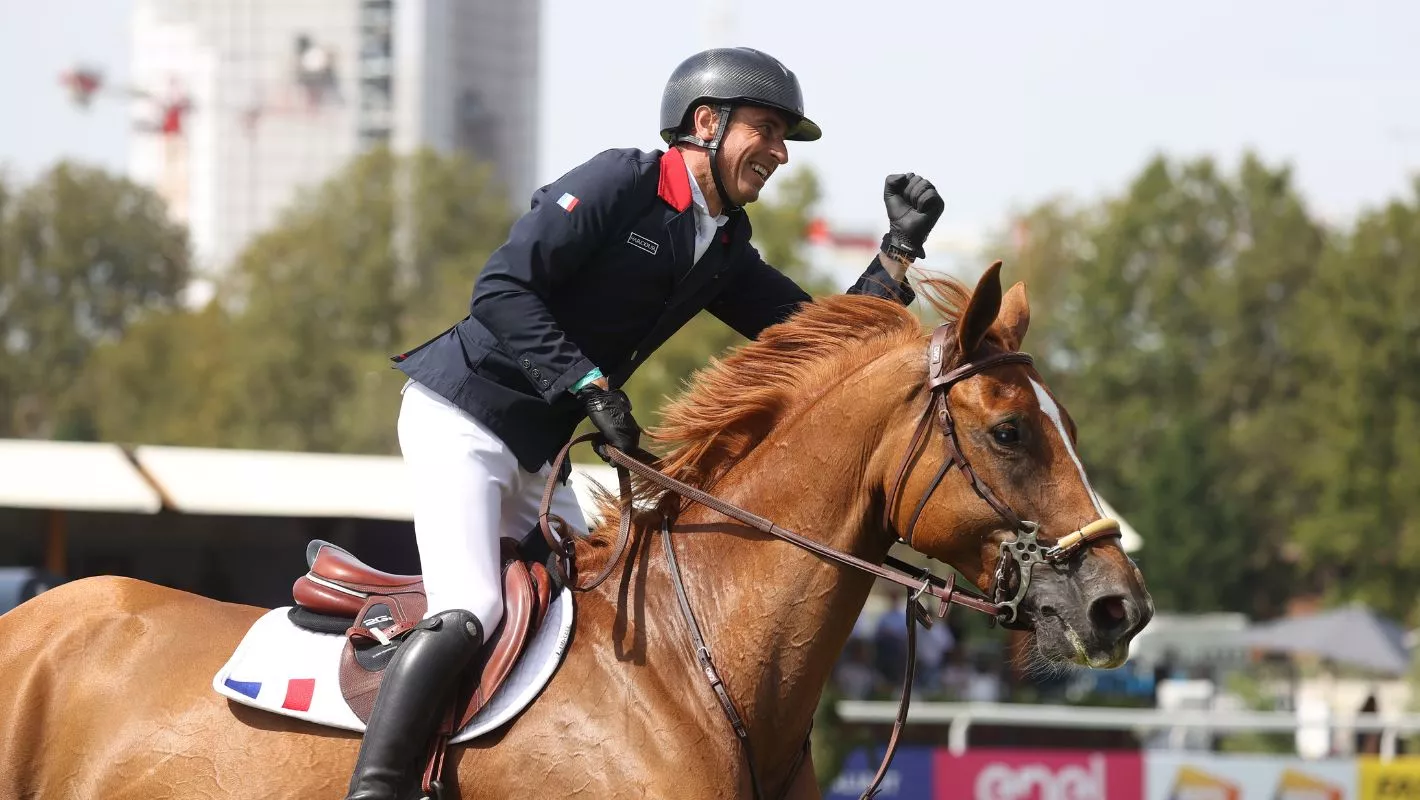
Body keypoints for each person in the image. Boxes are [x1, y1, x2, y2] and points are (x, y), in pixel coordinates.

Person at [342, 46, 945, 799]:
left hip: (540, 453)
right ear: (706, 122)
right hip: (462, 417)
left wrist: (897, 252)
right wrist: (589, 383)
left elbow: (825, 344)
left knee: (591, 612)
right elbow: (501, 290)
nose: (781, 153)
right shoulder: (622, 181)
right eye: (767, 129)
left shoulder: (723, 243)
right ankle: (380, 787)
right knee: (473, 610)